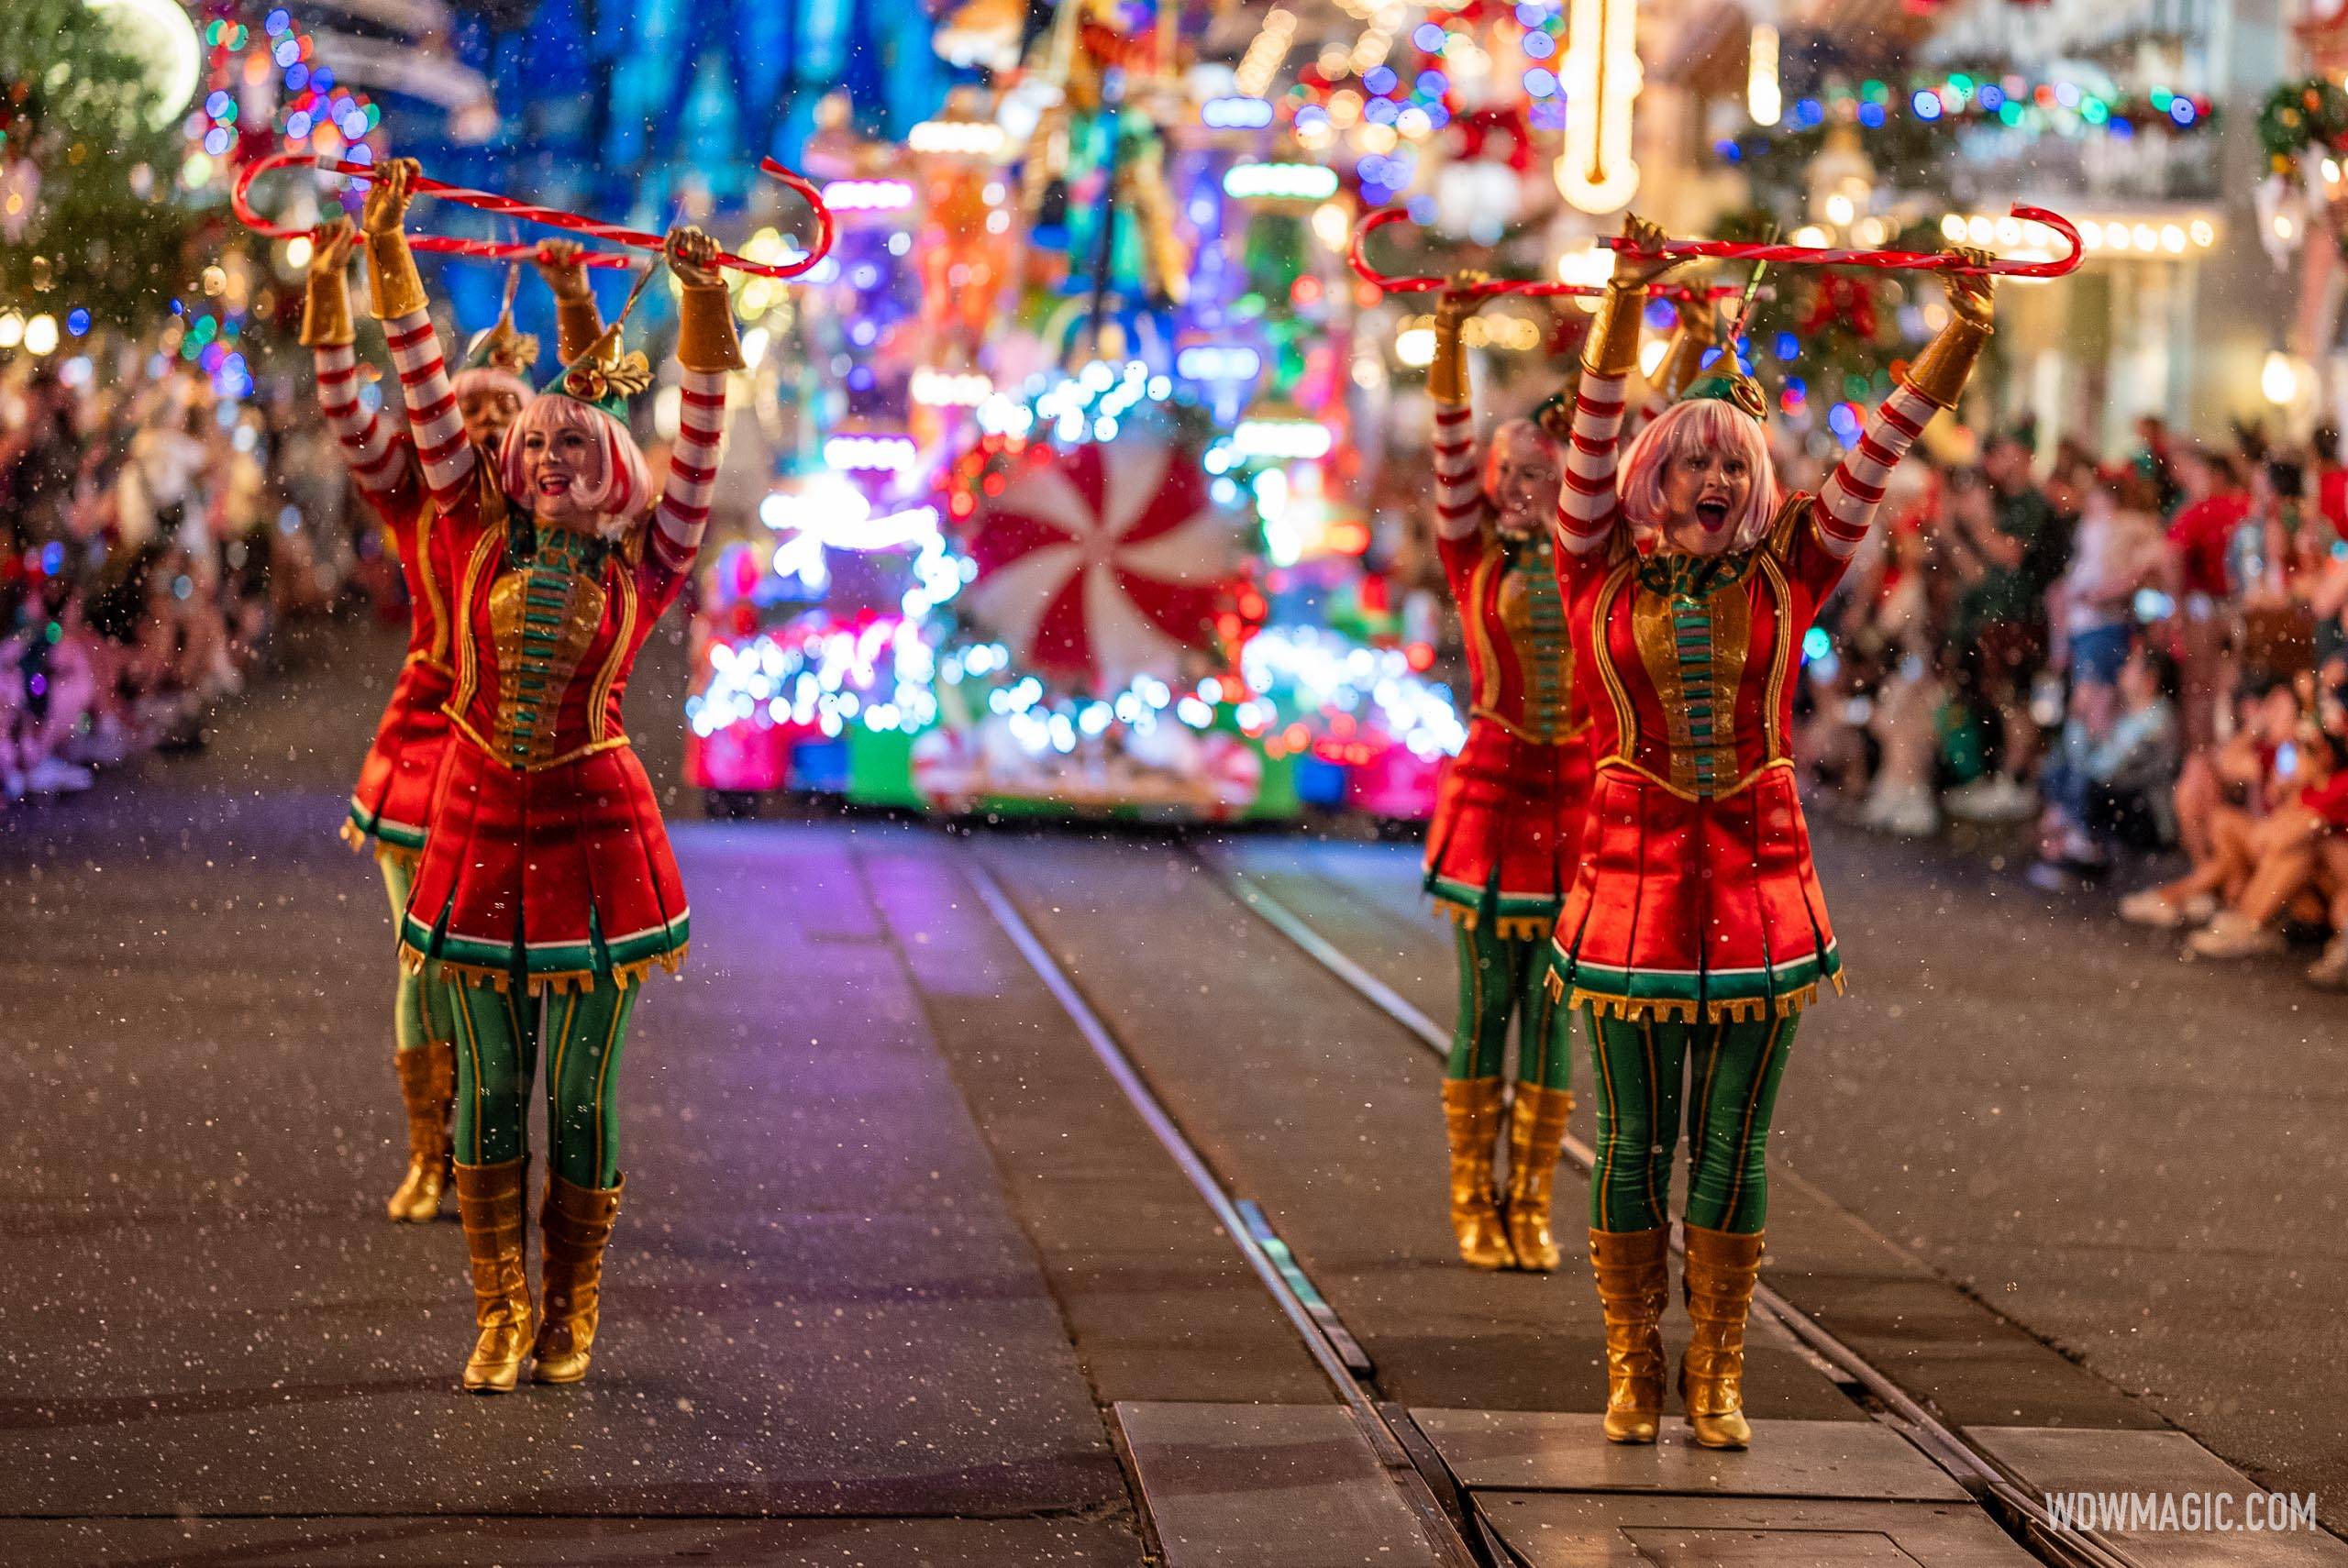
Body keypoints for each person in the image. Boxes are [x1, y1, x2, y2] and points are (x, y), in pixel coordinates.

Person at [1550, 214, 1993, 1450]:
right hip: (1631, 892)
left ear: (1757, 481)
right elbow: (1592, 425)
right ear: (1650, 481)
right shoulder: (1595, 564)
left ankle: (1720, 1370)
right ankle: (1633, 1364)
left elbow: (1879, 446)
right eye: (1689, 464)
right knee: (1639, 1137)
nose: (1713, 482)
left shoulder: (1793, 564)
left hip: (1758, 884)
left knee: (1735, 1139)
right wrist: (1627, 299)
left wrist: (1962, 333)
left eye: (1734, 465)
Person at [360, 159, 739, 1392]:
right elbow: (423, 382)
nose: (554, 456)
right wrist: (387, 251)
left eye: (579, 441)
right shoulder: (466, 525)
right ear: (511, 459)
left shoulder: (650, 563)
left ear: (610, 468)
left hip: (595, 841)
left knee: (577, 1095)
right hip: (473, 827)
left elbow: (700, 431)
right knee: (491, 1083)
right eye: (539, 440)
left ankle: (571, 1302)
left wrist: (697, 299)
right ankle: (499, 1307)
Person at [309, 218, 609, 1225]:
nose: (481, 425)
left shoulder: (561, 508)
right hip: (430, 746)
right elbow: (358, 413)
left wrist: (572, 303)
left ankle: (502, 1155)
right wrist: (327, 298)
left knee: (514, 962)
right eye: (468, 408)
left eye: (504, 412)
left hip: (538, 759)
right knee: (426, 954)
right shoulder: (423, 496)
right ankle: (432, 1155)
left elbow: (597, 403)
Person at [1417, 272, 1597, 1274]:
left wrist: (1669, 327)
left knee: (1555, 1017)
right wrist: (1449, 332)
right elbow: (1445, 445)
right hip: (1492, 798)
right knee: (1486, 1007)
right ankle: (1468, 1201)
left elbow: (1635, 430)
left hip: (1575, 804)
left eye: (1547, 474)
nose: (1527, 490)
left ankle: (1530, 1202)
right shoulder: (1469, 553)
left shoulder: (1588, 557)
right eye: (1514, 474)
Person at [1940, 428, 2061, 822]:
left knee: (2016, 701)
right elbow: (1980, 572)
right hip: (1996, 616)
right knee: (2000, 700)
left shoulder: (2033, 503)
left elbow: (2010, 554)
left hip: (2021, 617)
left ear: (2024, 455)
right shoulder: (2007, 500)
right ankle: (2003, 778)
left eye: (2007, 451)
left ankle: (2015, 782)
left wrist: (1975, 524)